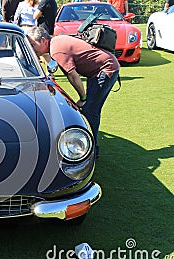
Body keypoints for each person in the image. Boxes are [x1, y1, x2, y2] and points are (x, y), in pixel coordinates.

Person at [25, 26, 120, 159]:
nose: (32, 49)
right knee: (90, 109)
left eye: (32, 45)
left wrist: (83, 97)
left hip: (106, 69)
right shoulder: (56, 42)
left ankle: (91, 150)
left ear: (42, 40)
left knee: (90, 110)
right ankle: (88, 145)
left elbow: (73, 76)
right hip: (101, 68)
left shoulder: (57, 50)